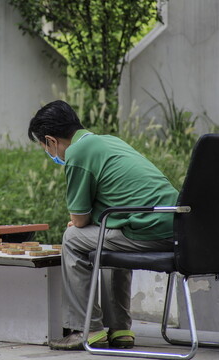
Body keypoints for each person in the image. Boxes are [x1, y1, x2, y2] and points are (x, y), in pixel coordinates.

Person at [27, 100, 178, 350]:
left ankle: (87, 329)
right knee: (108, 237)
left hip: (148, 230)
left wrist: (78, 223)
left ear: (51, 141)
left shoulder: (77, 154)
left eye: (44, 146)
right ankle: (121, 330)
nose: (49, 152)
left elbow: (79, 220)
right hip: (177, 226)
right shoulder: (109, 141)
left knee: (73, 238)